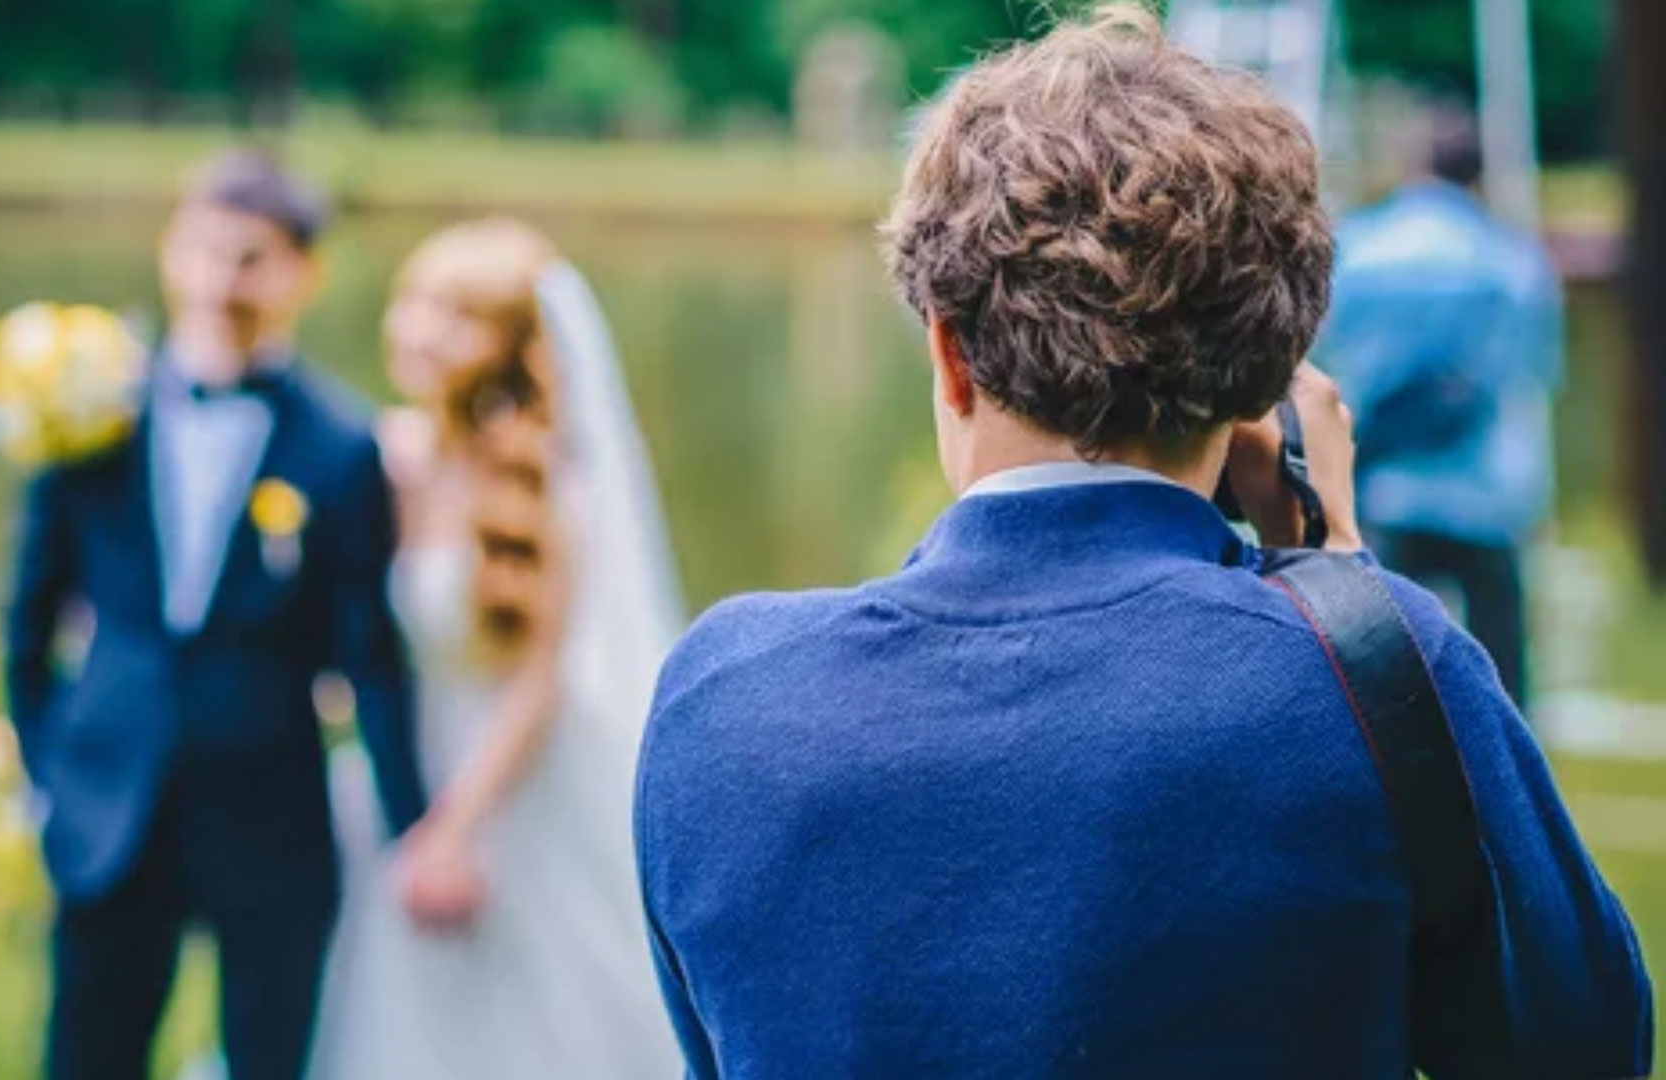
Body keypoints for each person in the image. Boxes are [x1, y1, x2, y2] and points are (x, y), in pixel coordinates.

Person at [635, 7, 1652, 1078]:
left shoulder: (722, 695)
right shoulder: (1379, 674)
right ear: (1271, 383)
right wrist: (1337, 568)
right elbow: (1582, 1046)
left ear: (948, 352)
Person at [3, 150, 427, 1080]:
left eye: (251, 258)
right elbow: (27, 615)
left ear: (302, 275)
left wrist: (415, 826)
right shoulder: (87, 410)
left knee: (272, 1060)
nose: (220, 280)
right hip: (110, 802)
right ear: (168, 252)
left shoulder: (343, 446)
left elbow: (369, 652)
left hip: (269, 810)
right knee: (84, 1057)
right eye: (202, 251)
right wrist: (48, 769)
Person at [308, 219, 683, 1078]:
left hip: (517, 785)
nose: (422, 331)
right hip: (404, 770)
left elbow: (540, 683)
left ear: (517, 348)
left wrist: (454, 829)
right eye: (416, 304)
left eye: (460, 315)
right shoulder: (380, 460)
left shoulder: (549, 491)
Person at [1319, 104, 1565, 707]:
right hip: (1486, 493)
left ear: (1411, 167)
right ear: (1477, 175)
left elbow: (1324, 357)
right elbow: (1535, 375)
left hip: (1384, 485)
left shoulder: (1360, 248)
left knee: (1377, 681)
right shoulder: (1512, 259)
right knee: (1505, 682)